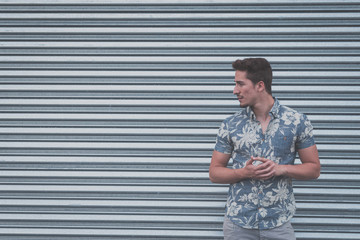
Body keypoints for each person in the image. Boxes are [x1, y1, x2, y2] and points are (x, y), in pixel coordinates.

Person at [209, 58, 320, 240]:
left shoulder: (297, 121)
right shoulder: (230, 124)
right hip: (238, 225)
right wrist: (244, 172)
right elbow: (214, 173)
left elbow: (314, 169)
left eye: (240, 84)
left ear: (260, 86)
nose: (234, 90)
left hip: (278, 224)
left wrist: (280, 169)